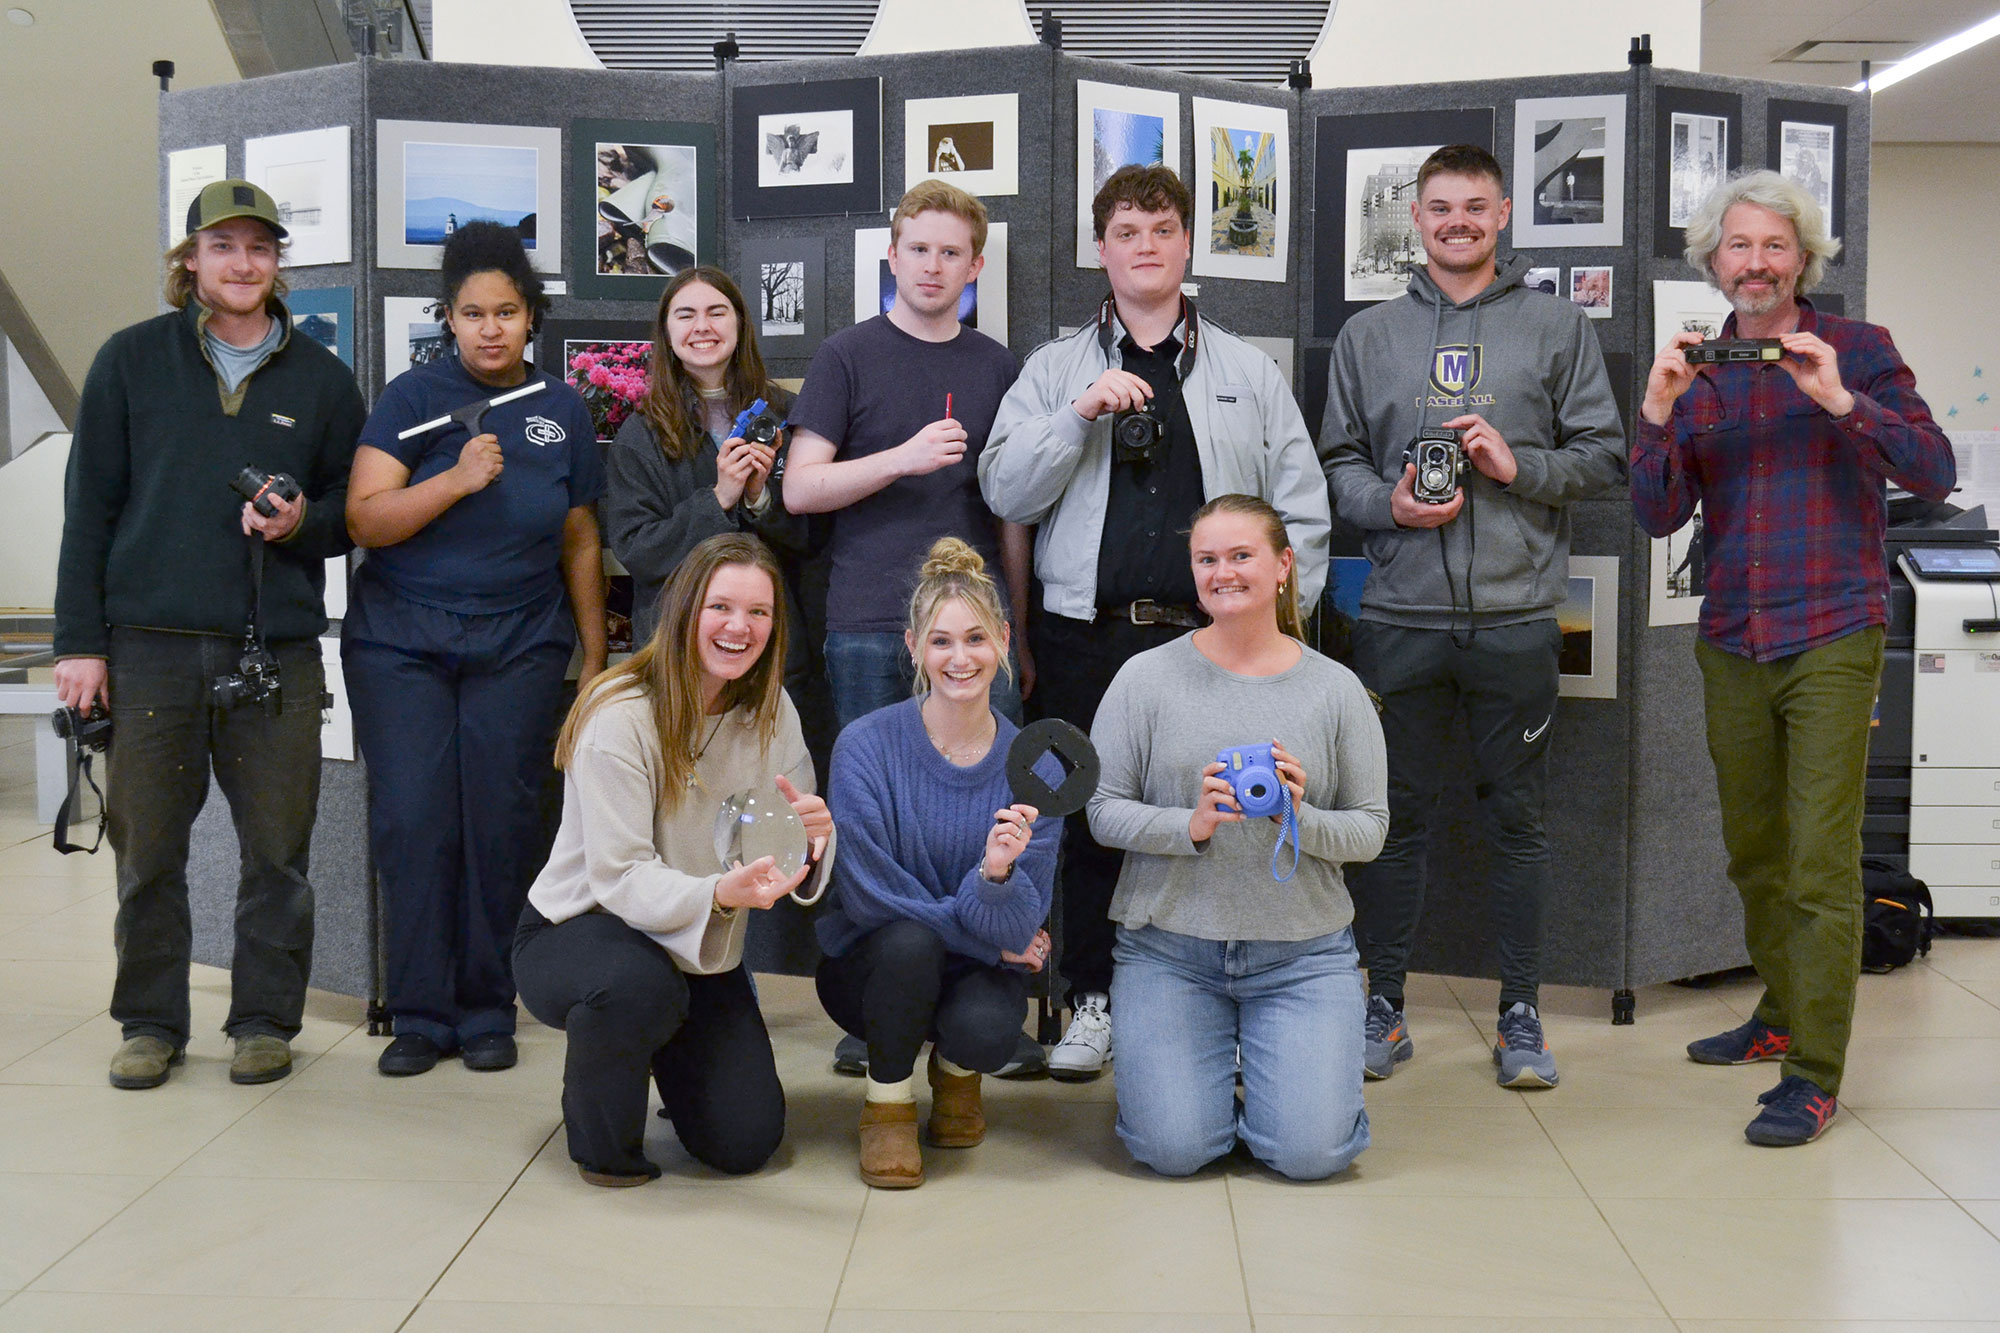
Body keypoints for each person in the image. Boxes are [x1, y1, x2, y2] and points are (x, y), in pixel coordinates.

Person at [980, 163, 1331, 1081]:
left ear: (1186, 245)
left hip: (1212, 641)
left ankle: (1235, 1001)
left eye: (1163, 230)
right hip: (1082, 636)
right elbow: (1004, 489)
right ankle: (1093, 996)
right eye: (1127, 232)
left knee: (1228, 809)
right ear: (1102, 250)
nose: (1145, 246)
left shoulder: (1247, 371)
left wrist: (1279, 630)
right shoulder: (1055, 368)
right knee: (1095, 819)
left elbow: (1302, 508)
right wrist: (1075, 416)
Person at [1633, 169, 1953, 1147]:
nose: (1756, 262)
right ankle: (1778, 1012)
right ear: (1712, 261)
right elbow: (1655, 513)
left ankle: (1812, 1072)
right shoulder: (1697, 369)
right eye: (1738, 246)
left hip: (1832, 627)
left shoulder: (1853, 349)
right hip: (1732, 634)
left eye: (1774, 245)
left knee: (1817, 862)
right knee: (1754, 848)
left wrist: (1839, 400)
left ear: (1801, 257)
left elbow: (1933, 470)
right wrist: (1654, 409)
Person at [1319, 143, 1626, 1089]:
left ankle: (1522, 1013)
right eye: (1439, 207)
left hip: (1517, 617)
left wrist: (1517, 467)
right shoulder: (1366, 338)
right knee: (1393, 819)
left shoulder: (1555, 327)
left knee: (1518, 822)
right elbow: (1336, 468)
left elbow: (1607, 459)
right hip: (1400, 617)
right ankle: (1384, 1003)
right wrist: (1393, 506)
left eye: (1475, 207)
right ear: (1416, 219)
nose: (1457, 222)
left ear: (1502, 218)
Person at [53, 179, 364, 1089]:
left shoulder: (322, 379)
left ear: (277, 265)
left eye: (259, 248)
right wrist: (81, 644)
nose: (242, 263)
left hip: (277, 650)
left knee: (279, 853)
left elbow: (355, 510)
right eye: (222, 246)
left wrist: (304, 520)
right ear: (189, 261)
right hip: (145, 647)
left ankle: (265, 1020)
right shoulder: (128, 361)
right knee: (147, 850)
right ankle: (150, 1021)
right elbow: (88, 512)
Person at [344, 220, 608, 1078]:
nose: (490, 328)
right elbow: (365, 520)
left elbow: (578, 536)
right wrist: (453, 479)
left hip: (522, 642)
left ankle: (489, 1006)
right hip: (402, 644)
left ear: (531, 317)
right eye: (472, 313)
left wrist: (596, 657)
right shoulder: (411, 399)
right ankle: (421, 1013)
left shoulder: (563, 408)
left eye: (507, 311)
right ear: (447, 319)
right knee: (416, 820)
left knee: (502, 822)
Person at [514, 534, 834, 1184]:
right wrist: (719, 894)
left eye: (759, 612)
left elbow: (775, 849)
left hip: (696, 945)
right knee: (638, 987)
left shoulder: (775, 713)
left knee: (745, 1139)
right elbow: (619, 875)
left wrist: (810, 844)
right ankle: (603, 1145)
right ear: (686, 609)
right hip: (580, 927)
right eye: (721, 606)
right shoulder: (619, 713)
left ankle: (660, 1047)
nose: (739, 627)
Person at [1087, 495, 1386, 1179]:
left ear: (1284, 565)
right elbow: (1101, 812)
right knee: (1174, 1150)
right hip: (1169, 950)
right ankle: (1203, 1078)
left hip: (1302, 957)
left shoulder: (1336, 690)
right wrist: (1190, 824)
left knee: (1312, 1155)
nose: (1223, 572)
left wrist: (1297, 819)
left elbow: (1370, 829)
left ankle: (1276, 1080)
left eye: (1241, 555)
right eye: (1207, 559)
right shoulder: (1144, 679)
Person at [814, 538, 1059, 1188]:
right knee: (908, 941)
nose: (960, 658)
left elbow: (1025, 913)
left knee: (985, 1028)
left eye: (976, 638)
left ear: (1004, 640)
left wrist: (997, 876)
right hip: (873, 963)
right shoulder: (864, 746)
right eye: (942, 641)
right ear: (914, 645)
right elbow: (869, 898)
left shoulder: (1035, 766)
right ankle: (886, 1105)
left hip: (973, 970)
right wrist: (993, 940)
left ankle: (957, 1078)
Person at [782, 179, 1033, 730]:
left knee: (991, 796)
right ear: (893, 258)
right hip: (870, 625)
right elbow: (799, 489)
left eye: (950, 253)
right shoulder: (843, 355)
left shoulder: (1000, 367)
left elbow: (1011, 514)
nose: (932, 266)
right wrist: (903, 458)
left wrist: (1019, 628)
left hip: (978, 625)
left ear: (975, 267)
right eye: (918, 249)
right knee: (874, 799)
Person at [603, 266, 802, 646]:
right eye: (685, 315)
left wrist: (759, 500)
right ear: (666, 330)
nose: (702, 326)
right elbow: (638, 552)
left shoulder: (786, 416)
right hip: (678, 644)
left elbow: (813, 539)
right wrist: (719, 499)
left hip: (773, 643)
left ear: (740, 323)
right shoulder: (640, 436)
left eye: (716, 312)